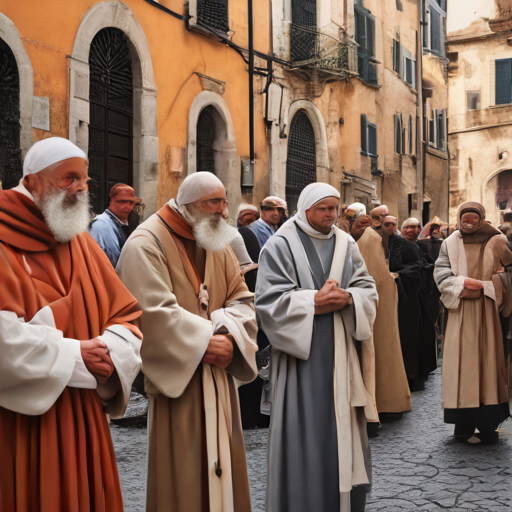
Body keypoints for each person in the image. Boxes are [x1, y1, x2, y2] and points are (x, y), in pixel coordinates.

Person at [0, 137, 142, 511]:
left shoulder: (80, 240)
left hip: (85, 418)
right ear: (30, 181)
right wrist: (75, 355)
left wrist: (112, 351)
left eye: (85, 179)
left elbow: (125, 312)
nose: (80, 188)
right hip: (19, 424)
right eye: (68, 178)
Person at [116, 171, 258, 512]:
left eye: (225, 201)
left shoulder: (215, 240)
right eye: (213, 202)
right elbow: (149, 310)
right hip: (179, 384)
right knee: (182, 478)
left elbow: (242, 298)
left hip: (220, 379)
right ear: (189, 206)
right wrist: (205, 341)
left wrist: (230, 335)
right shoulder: (145, 242)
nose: (224, 211)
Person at [255, 183, 378, 512]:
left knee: (343, 432)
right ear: (306, 208)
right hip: (300, 358)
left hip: (341, 352)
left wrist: (349, 298)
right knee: (302, 432)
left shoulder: (346, 243)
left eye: (334, 208)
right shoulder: (280, 244)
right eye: (323, 208)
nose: (330, 214)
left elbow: (368, 287)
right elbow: (267, 302)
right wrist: (314, 301)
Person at [434, 201, 512, 444]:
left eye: (473, 219)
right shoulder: (450, 242)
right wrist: (462, 285)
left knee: (488, 363)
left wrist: (488, 286)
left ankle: (488, 424)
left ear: (482, 219)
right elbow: (440, 272)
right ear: (459, 219)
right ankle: (463, 424)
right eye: (464, 219)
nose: (468, 223)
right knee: (460, 365)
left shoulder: (497, 240)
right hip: (459, 310)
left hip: (490, 310)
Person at [349, 204, 411, 417]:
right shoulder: (370, 238)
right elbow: (376, 275)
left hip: (371, 302)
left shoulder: (365, 238)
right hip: (376, 303)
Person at [388, 220, 437, 390]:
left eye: (416, 227)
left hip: (418, 298)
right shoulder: (394, 245)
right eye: (408, 227)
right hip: (402, 298)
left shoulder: (421, 246)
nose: (413, 230)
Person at [90, 183, 136, 267]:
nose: (128, 207)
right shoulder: (101, 225)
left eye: (131, 202)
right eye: (122, 202)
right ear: (112, 200)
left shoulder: (125, 224)